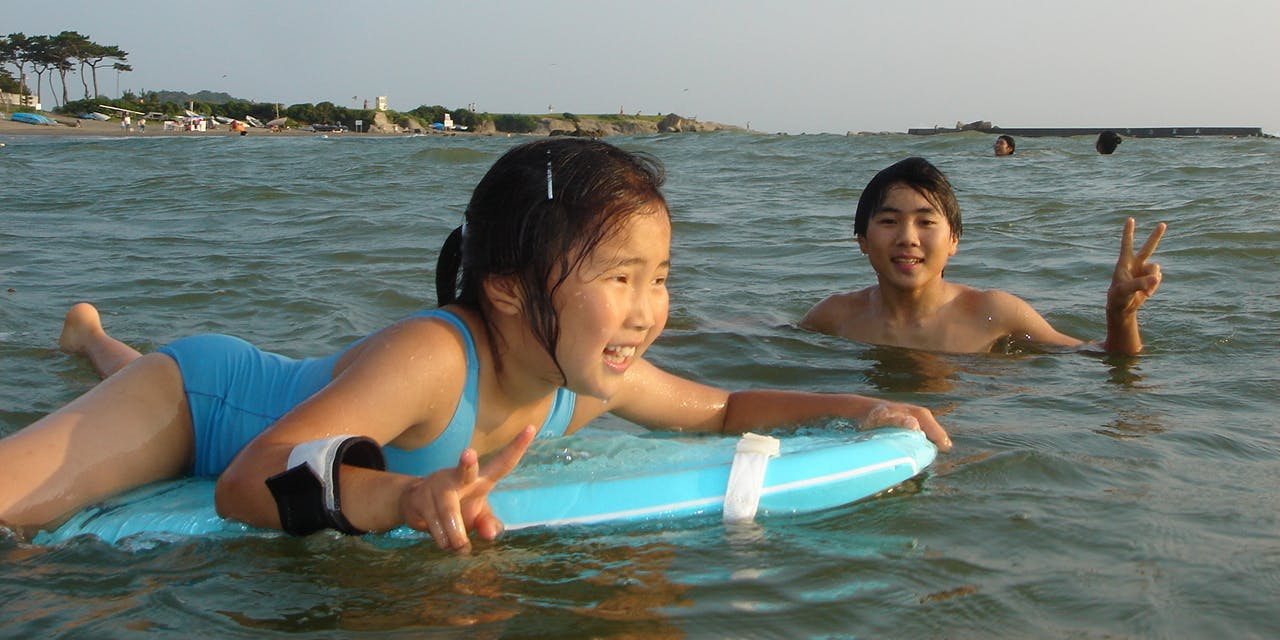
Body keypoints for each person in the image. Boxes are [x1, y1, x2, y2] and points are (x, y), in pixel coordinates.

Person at [0, 139, 951, 551]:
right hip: (202, 405)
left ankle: (96, 339)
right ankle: (106, 348)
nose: (648, 310)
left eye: (660, 277)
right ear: (505, 287)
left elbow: (723, 409)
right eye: (620, 278)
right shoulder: (432, 357)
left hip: (264, 405)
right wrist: (402, 498)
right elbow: (246, 484)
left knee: (114, 369)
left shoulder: (589, 372)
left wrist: (861, 407)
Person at [801, 157, 1165, 354]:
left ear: (953, 241)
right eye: (889, 221)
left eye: (926, 222)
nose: (907, 238)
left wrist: (1120, 316)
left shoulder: (996, 314)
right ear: (863, 240)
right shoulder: (835, 318)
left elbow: (1105, 359)